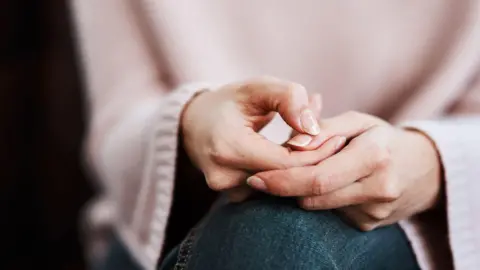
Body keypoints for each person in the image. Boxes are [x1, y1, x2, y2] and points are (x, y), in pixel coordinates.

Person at [71, 1, 480, 269]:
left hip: (438, 227)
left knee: (276, 235)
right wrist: (192, 120)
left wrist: (431, 164)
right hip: (167, 224)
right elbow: (119, 116)